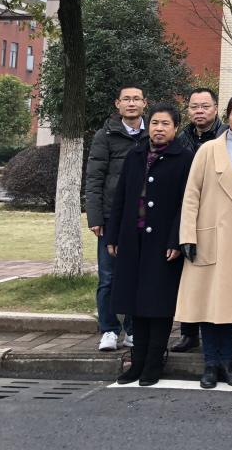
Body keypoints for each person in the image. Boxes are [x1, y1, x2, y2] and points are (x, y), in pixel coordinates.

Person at [176, 93, 232, 389]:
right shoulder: (208, 150)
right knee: (206, 302)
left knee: (229, 306)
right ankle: (210, 363)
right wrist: (187, 235)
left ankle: (228, 361)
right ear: (227, 115)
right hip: (208, 236)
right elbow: (192, 194)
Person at [106, 103, 192, 386]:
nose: (159, 128)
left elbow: (186, 204)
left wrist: (176, 239)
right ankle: (137, 362)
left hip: (163, 243)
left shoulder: (184, 158)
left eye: (165, 124)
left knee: (158, 304)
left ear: (176, 128)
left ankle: (154, 363)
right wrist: (113, 235)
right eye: (155, 123)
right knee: (135, 303)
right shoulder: (136, 154)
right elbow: (121, 197)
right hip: (133, 239)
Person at [85, 84, 147, 352]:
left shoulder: (153, 132)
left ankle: (133, 330)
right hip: (112, 217)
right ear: (117, 104)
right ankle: (109, 329)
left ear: (144, 103)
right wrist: (95, 216)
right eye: (126, 99)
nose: (131, 103)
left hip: (143, 217)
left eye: (136, 99)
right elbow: (94, 178)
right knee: (108, 277)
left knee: (137, 275)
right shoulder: (105, 135)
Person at [170, 87, 225, 354]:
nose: (199, 111)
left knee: (213, 280)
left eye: (205, 106)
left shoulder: (226, 137)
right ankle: (188, 332)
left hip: (217, 216)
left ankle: (216, 336)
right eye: (194, 107)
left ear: (216, 108)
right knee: (188, 276)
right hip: (186, 212)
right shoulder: (181, 139)